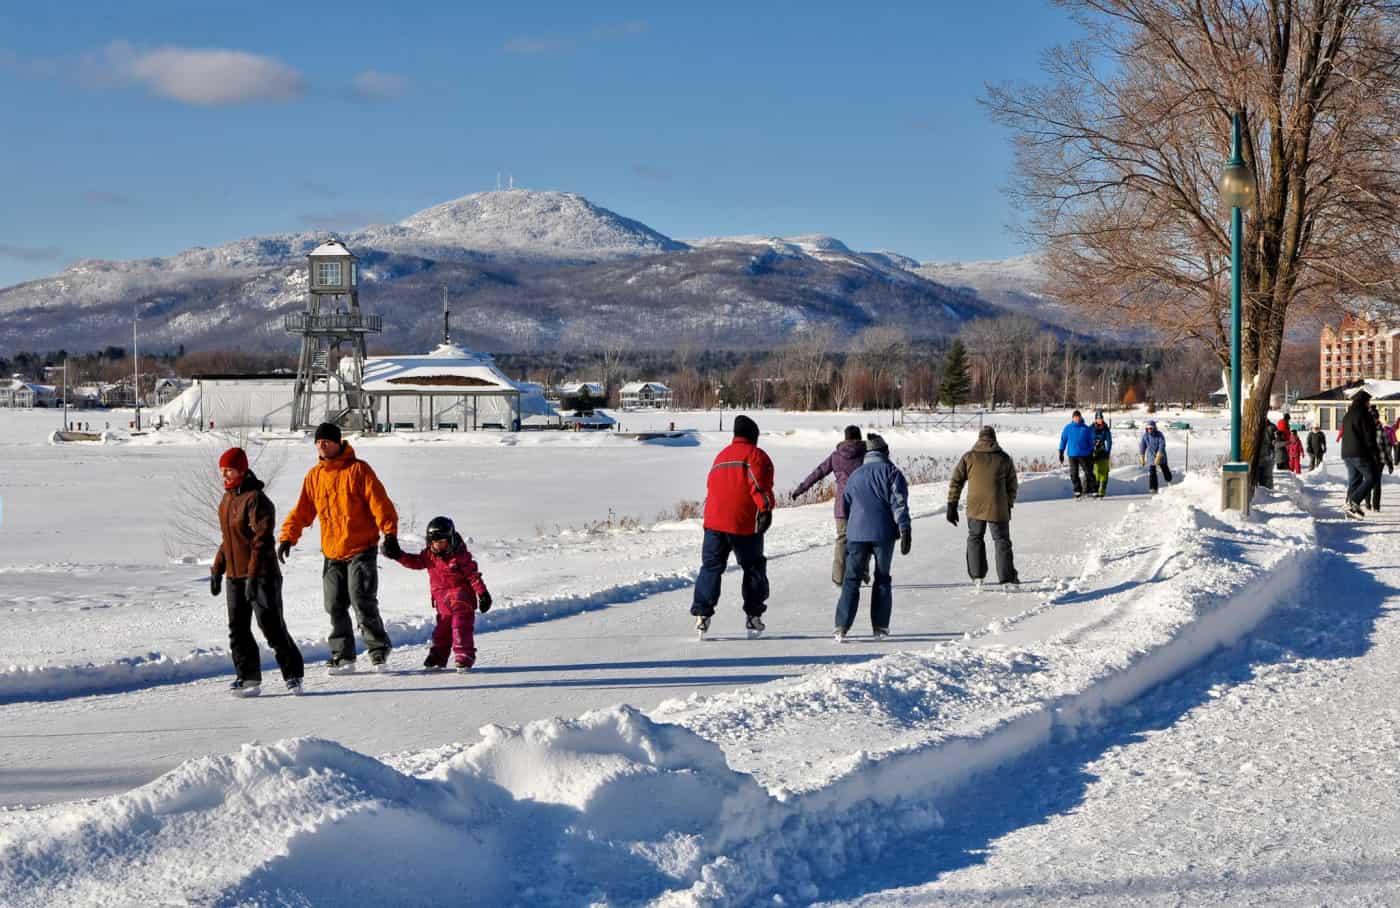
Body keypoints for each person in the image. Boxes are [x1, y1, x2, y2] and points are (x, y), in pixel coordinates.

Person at [278, 422, 400, 673]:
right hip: (332, 551)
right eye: (318, 442)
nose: (322, 446)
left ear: (338, 443)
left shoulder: (359, 470)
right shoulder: (315, 476)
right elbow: (303, 510)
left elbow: (380, 503)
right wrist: (288, 537)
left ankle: (378, 649)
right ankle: (343, 655)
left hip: (361, 548)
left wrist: (389, 533)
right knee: (333, 604)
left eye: (326, 442)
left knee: (361, 599)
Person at [211, 447, 304, 697]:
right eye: (222, 471)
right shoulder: (227, 499)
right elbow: (228, 540)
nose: (224, 475)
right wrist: (217, 569)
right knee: (238, 629)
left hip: (262, 575)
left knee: (271, 626)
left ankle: (293, 674)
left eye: (228, 470)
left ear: (241, 469)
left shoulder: (256, 500)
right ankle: (248, 677)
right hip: (234, 577)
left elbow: (261, 542)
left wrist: (252, 576)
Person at [691, 415, 774, 638]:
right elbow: (759, 485)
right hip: (743, 522)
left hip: (714, 522)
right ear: (753, 436)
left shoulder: (721, 456)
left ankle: (702, 614)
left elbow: (711, 485)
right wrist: (765, 510)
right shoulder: (755, 455)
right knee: (754, 566)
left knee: (711, 567)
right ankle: (753, 616)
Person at [385, 516, 492, 673]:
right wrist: (398, 555)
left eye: (442, 542)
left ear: (450, 539)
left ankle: (464, 656)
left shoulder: (460, 556)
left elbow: (473, 576)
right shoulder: (429, 556)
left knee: (459, 626)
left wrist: (483, 593)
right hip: (442, 601)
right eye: (435, 543)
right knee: (442, 630)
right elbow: (415, 562)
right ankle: (438, 657)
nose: (439, 546)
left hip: (462, 599)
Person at [833, 434, 911, 641]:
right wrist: (905, 529)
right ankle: (880, 626)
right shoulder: (892, 472)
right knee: (882, 578)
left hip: (856, 534)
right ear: (885, 452)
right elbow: (899, 503)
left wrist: (853, 526)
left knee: (851, 579)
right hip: (883, 534)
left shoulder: (856, 475)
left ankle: (841, 626)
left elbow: (846, 504)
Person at [791, 426, 868, 586]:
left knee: (842, 539)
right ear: (859, 438)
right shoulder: (866, 455)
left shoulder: (836, 456)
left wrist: (801, 488)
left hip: (842, 505)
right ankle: (861, 573)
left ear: (845, 438)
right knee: (863, 539)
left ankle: (838, 577)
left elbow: (818, 472)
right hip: (862, 505)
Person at [948, 425, 1019, 587]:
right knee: (1001, 540)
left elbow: (956, 481)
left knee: (975, 538)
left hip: (975, 506)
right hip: (998, 506)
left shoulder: (969, 457)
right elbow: (1012, 485)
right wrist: (1008, 503)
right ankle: (1006, 579)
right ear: (994, 439)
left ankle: (977, 576)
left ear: (979, 438)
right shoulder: (1003, 458)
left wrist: (952, 504)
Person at [1341, 390, 1379, 518]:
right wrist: (1374, 452)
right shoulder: (1364, 414)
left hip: (1347, 453)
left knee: (1354, 481)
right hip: (1360, 452)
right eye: (1369, 401)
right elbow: (1369, 435)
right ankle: (1354, 502)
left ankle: (1349, 509)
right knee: (1372, 477)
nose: (1369, 404)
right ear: (1365, 401)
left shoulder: (1348, 414)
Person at [1057, 410, 1096, 498]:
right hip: (1072, 454)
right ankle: (1078, 490)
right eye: (1075, 417)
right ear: (1073, 418)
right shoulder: (1068, 428)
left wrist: (1091, 452)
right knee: (1074, 473)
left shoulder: (1086, 428)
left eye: (1078, 417)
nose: (1077, 419)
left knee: (1089, 472)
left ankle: (1094, 489)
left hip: (1084, 454)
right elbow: (1063, 440)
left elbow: (1091, 441)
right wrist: (1061, 451)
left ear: (1081, 418)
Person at [1138, 419, 1173, 493]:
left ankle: (1169, 480)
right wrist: (1142, 456)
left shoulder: (1159, 435)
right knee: (1152, 472)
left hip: (1161, 456)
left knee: (1164, 469)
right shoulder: (1145, 436)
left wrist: (1159, 455)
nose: (1149, 430)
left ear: (1154, 428)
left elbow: (1162, 445)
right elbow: (1142, 446)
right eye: (1148, 428)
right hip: (1151, 456)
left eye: (1151, 428)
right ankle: (1153, 488)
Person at [1370, 404, 1393, 510]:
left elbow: (1387, 447)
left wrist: (1390, 463)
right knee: (1368, 481)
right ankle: (1367, 502)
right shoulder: (1365, 430)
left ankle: (1376, 505)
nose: (1373, 420)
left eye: (1375, 418)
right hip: (1367, 460)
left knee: (1377, 482)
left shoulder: (1382, 431)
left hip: (1379, 459)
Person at [1090, 411, 1113, 498]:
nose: (1099, 420)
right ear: (1095, 419)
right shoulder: (1091, 428)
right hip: (1093, 453)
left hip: (1103, 452)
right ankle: (1095, 491)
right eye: (1098, 418)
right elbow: (1087, 439)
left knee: (1104, 472)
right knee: (1096, 473)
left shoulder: (1106, 429)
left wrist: (1108, 451)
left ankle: (1101, 491)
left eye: (1101, 418)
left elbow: (1109, 441)